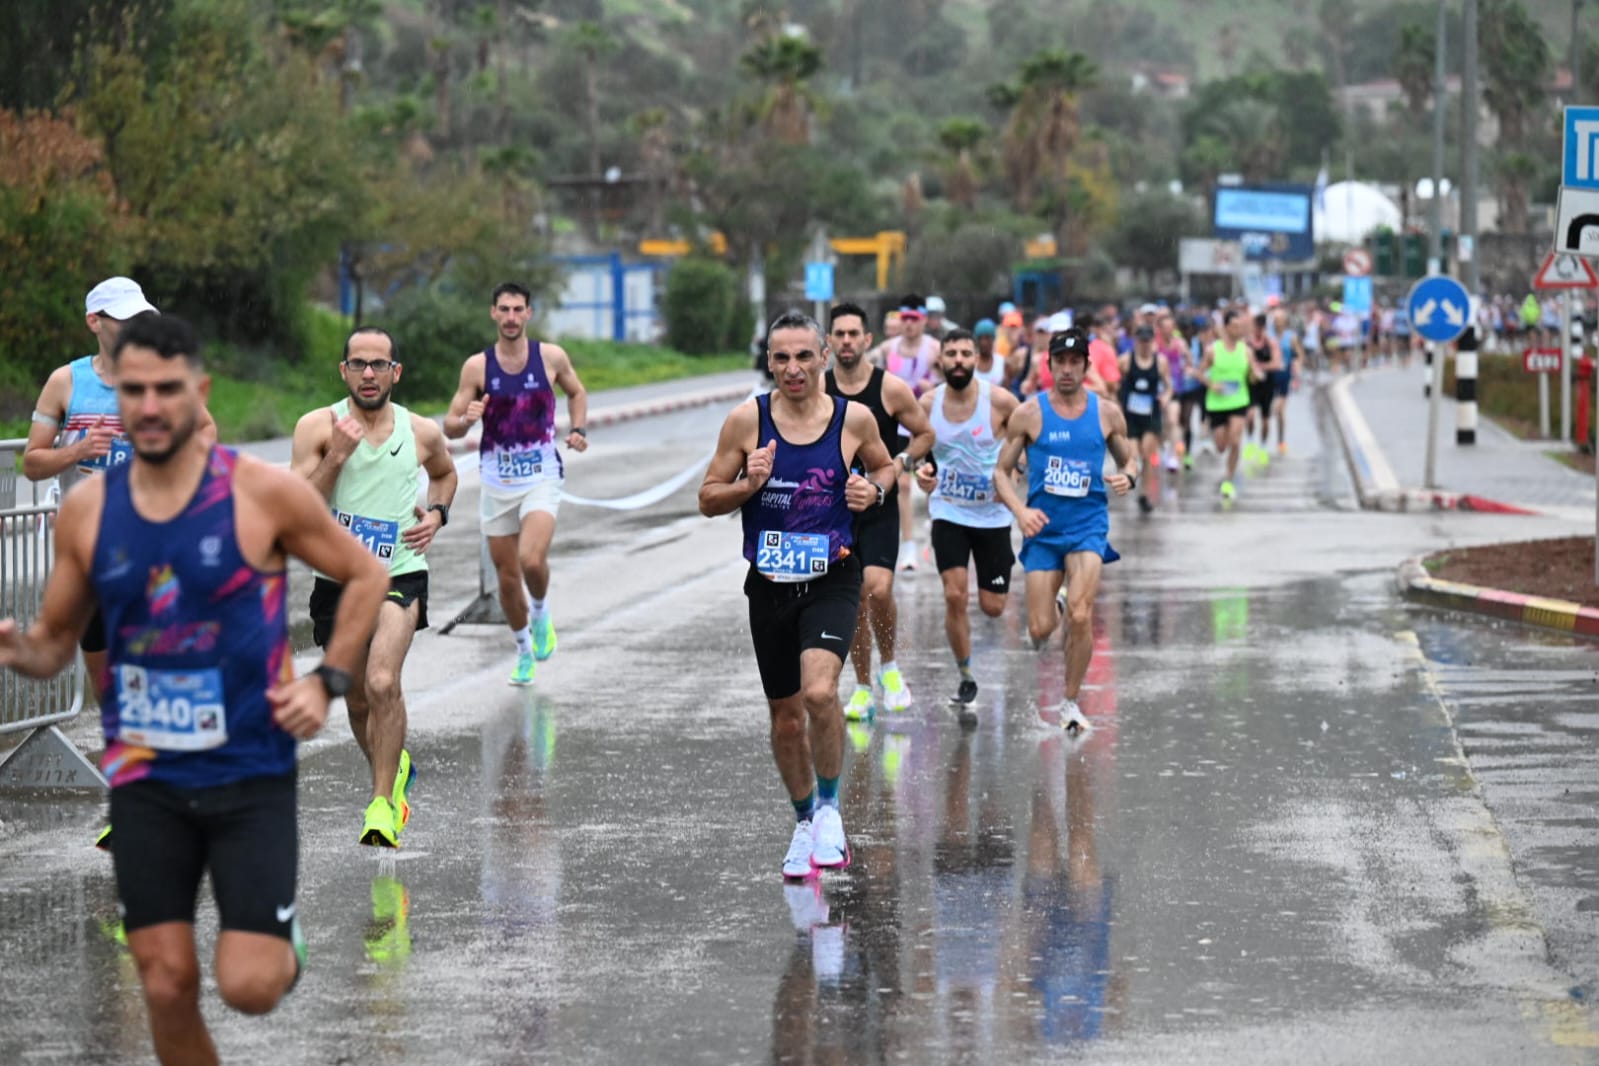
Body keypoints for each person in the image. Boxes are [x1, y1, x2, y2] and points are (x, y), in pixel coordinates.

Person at [0, 314, 388, 1066]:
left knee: (248, 986)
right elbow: (54, 646)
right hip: (145, 779)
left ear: (199, 394)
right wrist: (16, 648)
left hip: (248, 775)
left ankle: (278, 941)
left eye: (166, 390)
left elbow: (368, 574)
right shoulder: (87, 511)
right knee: (165, 982)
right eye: (132, 390)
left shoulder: (262, 494)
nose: (147, 406)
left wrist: (329, 680)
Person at [698, 309, 896, 879]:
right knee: (785, 719)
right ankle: (805, 818)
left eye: (804, 356)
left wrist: (871, 492)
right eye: (781, 357)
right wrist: (748, 485)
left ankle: (831, 808)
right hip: (769, 586)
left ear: (825, 357)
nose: (793, 368)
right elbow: (707, 498)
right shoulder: (746, 422)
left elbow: (886, 470)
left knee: (817, 693)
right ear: (769, 362)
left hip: (833, 577)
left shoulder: (853, 420)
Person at [290, 326, 459, 848]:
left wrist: (437, 513)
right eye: (358, 364)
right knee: (359, 699)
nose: (369, 373)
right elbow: (296, 505)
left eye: (378, 364)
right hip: (336, 580)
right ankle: (393, 771)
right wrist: (336, 457)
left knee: (384, 682)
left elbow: (445, 474)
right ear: (343, 371)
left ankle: (382, 805)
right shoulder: (317, 426)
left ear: (395, 372)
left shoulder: (421, 431)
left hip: (400, 570)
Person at [22, 278, 217, 722]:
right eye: (124, 319)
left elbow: (206, 430)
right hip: (89, 552)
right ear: (95, 321)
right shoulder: (66, 381)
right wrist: (77, 451)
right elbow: (32, 463)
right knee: (104, 671)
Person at [444, 282, 589, 686]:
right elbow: (450, 427)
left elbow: (577, 392)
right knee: (507, 578)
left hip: (541, 473)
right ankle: (524, 650)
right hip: (496, 478)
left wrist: (577, 428)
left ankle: (541, 611)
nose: (510, 317)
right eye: (503, 309)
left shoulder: (550, 357)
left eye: (517, 309)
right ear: (493, 313)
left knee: (530, 559)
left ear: (528, 313)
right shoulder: (477, 367)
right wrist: (467, 419)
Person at [993, 327, 1135, 735]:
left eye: (1076, 362)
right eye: (1061, 362)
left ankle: (1070, 702)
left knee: (1080, 612)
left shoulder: (1107, 413)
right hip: (1043, 529)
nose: (1068, 369)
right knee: (1039, 631)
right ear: (1049, 365)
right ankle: (1052, 605)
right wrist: (1020, 512)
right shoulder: (1028, 414)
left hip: (1088, 525)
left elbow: (1130, 461)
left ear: (1087, 367)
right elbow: (1001, 473)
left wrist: (1129, 476)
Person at [824, 303, 934, 719]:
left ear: (868, 341)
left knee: (879, 589)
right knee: (854, 602)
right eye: (840, 334)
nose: (847, 341)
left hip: (878, 504)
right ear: (830, 342)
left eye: (855, 334)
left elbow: (924, 433)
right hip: (834, 511)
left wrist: (901, 463)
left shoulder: (889, 389)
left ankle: (890, 666)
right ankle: (864, 687)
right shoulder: (820, 390)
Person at [913, 329, 1019, 715]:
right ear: (940, 359)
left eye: (965, 354)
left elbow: (1027, 436)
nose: (958, 360)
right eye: (951, 354)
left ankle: (997, 591)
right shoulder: (927, 404)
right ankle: (966, 674)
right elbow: (918, 454)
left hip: (993, 516)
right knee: (955, 595)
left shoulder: (1001, 401)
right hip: (949, 511)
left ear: (977, 358)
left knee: (993, 607)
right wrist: (921, 474)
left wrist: (1017, 462)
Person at [872, 294, 941, 571]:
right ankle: (909, 546)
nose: (909, 325)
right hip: (899, 425)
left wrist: (932, 385)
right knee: (901, 484)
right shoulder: (888, 349)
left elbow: (951, 382)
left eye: (914, 320)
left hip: (928, 425)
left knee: (933, 483)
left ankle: (937, 536)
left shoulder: (935, 348)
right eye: (905, 320)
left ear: (923, 320)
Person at [1196, 309, 1256, 500]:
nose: (1239, 330)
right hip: (1217, 403)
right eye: (1235, 326)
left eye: (1241, 326)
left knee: (1236, 440)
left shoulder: (1246, 350)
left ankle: (1229, 479)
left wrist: (1256, 375)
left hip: (1239, 400)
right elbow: (1199, 373)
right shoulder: (1213, 350)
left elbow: (1252, 374)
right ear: (1226, 327)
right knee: (1222, 445)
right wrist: (1212, 383)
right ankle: (1220, 446)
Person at [1117, 324, 1171, 514]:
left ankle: (1144, 494)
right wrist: (1117, 404)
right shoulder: (1125, 361)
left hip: (1151, 414)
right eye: (1142, 341)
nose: (1145, 345)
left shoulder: (1161, 362)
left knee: (1148, 455)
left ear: (1153, 342)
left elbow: (1169, 387)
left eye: (1148, 342)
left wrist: (1165, 397)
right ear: (1136, 342)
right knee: (1134, 456)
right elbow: (1116, 384)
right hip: (1131, 416)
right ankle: (1132, 481)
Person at [1243, 313, 1282, 469]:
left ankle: (1263, 446)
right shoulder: (1247, 343)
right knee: (1250, 415)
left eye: (1260, 328)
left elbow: (1276, 363)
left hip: (1267, 384)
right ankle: (1250, 441)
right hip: (1251, 384)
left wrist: (1259, 367)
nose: (1258, 330)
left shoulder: (1270, 343)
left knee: (1265, 419)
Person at [972, 319, 1008, 387]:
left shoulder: (1002, 363)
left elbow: (1007, 392)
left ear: (993, 339)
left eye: (987, 338)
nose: (983, 343)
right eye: (980, 338)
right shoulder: (970, 362)